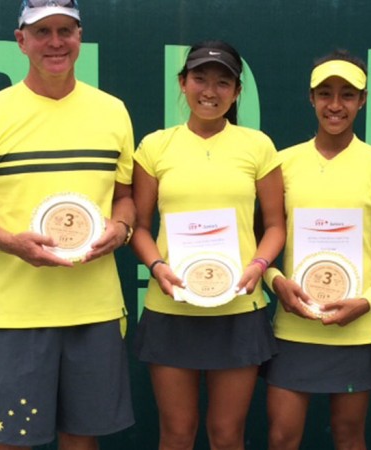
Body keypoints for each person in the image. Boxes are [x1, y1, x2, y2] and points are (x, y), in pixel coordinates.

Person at [0, 1, 135, 449]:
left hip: (97, 312)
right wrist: (13, 244)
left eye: (65, 30)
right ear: (20, 40)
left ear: (80, 37)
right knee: (12, 445)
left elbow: (125, 199)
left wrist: (120, 230)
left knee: (82, 442)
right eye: (42, 31)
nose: (55, 42)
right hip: (19, 318)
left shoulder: (112, 112)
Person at [131, 40, 285, 450]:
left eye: (223, 82)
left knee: (227, 434)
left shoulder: (258, 147)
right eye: (200, 78)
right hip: (170, 307)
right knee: (177, 433)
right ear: (182, 83)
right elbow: (139, 227)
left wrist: (259, 264)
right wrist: (158, 267)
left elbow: (275, 226)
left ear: (236, 92)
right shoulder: (154, 147)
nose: (210, 91)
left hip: (238, 308)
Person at [262, 50, 371, 450]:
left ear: (362, 101)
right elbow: (260, 244)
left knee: (349, 437)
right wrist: (275, 281)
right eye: (325, 93)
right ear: (310, 98)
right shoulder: (282, 163)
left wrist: (368, 301)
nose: (335, 105)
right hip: (294, 324)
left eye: (347, 95)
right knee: (281, 437)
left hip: (356, 326)